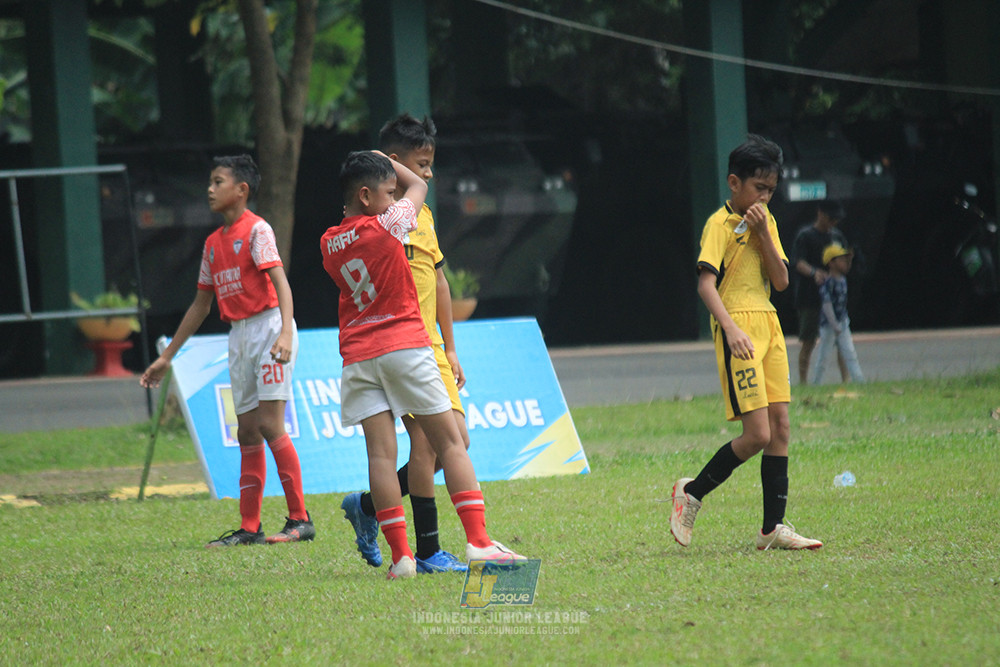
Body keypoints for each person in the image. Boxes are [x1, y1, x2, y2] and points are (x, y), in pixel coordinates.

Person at [321, 150, 524, 579]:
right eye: (387, 193)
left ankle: (402, 558)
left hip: (358, 357)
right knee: (450, 442)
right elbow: (420, 187)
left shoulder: (328, 242)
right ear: (365, 195)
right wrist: (384, 159)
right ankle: (479, 542)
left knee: (379, 456)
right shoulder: (389, 224)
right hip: (404, 346)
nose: (396, 198)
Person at [140, 154, 314, 547]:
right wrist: (168, 356)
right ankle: (249, 527)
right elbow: (201, 304)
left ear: (242, 190)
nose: (210, 188)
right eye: (210, 181)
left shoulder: (257, 231)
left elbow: (281, 284)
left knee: (271, 425)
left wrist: (285, 332)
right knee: (248, 431)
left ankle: (300, 520)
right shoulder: (213, 244)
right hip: (238, 336)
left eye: (218, 181)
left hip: (269, 328)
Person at [670, 134, 822, 551]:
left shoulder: (766, 222)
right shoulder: (717, 226)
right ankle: (692, 493)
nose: (765, 197)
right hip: (737, 327)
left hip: (769, 325)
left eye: (771, 190)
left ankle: (772, 528)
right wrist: (730, 328)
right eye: (759, 188)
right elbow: (706, 284)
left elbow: (782, 281)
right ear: (734, 183)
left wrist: (764, 236)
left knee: (781, 429)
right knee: (756, 434)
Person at [339, 114, 470, 574]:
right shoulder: (380, 219)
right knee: (428, 445)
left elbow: (439, 280)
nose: (429, 173)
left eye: (431, 164)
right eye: (423, 164)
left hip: (428, 342)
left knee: (455, 442)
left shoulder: (424, 217)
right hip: (400, 341)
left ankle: (370, 506)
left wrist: (450, 347)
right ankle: (429, 550)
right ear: (393, 166)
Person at [791, 199, 850, 385]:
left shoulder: (837, 237)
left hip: (834, 297)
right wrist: (815, 273)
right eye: (831, 219)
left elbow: (844, 260)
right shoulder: (806, 236)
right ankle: (803, 382)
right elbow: (797, 262)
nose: (833, 223)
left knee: (842, 341)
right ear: (820, 214)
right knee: (808, 341)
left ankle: (846, 379)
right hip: (809, 296)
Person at [810, 244, 864, 384]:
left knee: (850, 353)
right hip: (829, 325)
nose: (844, 262)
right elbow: (826, 305)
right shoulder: (828, 283)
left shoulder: (842, 279)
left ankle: (859, 381)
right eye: (841, 259)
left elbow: (847, 267)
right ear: (831, 263)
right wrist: (834, 324)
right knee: (824, 356)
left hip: (842, 322)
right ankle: (817, 383)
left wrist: (849, 258)